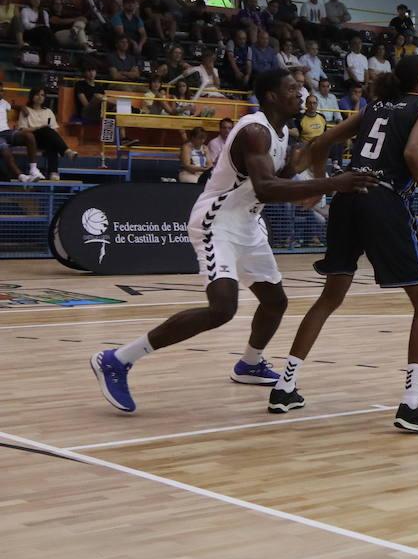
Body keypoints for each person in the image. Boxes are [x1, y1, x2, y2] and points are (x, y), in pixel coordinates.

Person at [90, 69, 377, 414]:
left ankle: (250, 364)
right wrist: (331, 184)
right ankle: (117, 359)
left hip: (248, 223)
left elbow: (271, 183)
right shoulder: (254, 131)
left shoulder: (282, 131)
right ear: (270, 95)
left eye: (301, 88)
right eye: (292, 89)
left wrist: (296, 168)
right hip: (217, 222)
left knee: (275, 302)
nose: (301, 94)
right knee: (222, 308)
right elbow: (265, 188)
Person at [270, 56, 418, 433]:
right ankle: (412, 404)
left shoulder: (375, 107)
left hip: (347, 196)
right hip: (382, 199)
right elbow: (412, 153)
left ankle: (284, 386)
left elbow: (321, 141)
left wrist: (322, 184)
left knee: (330, 296)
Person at [18, 87, 76, 180]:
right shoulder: (26, 110)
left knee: (51, 140)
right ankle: (66, 152)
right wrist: (37, 128)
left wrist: (47, 131)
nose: (40, 97)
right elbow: (22, 129)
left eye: (42, 95)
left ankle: (53, 172)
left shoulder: (48, 111)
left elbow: (55, 130)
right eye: (37, 94)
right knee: (46, 129)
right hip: (32, 139)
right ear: (32, 96)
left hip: (46, 138)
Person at [0, 93, 42, 182]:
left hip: (6, 132)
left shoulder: (4, 103)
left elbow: (14, 106)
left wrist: (22, 107)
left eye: (1, 90)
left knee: (29, 136)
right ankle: (21, 176)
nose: (1, 93)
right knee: (4, 148)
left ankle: (33, 169)